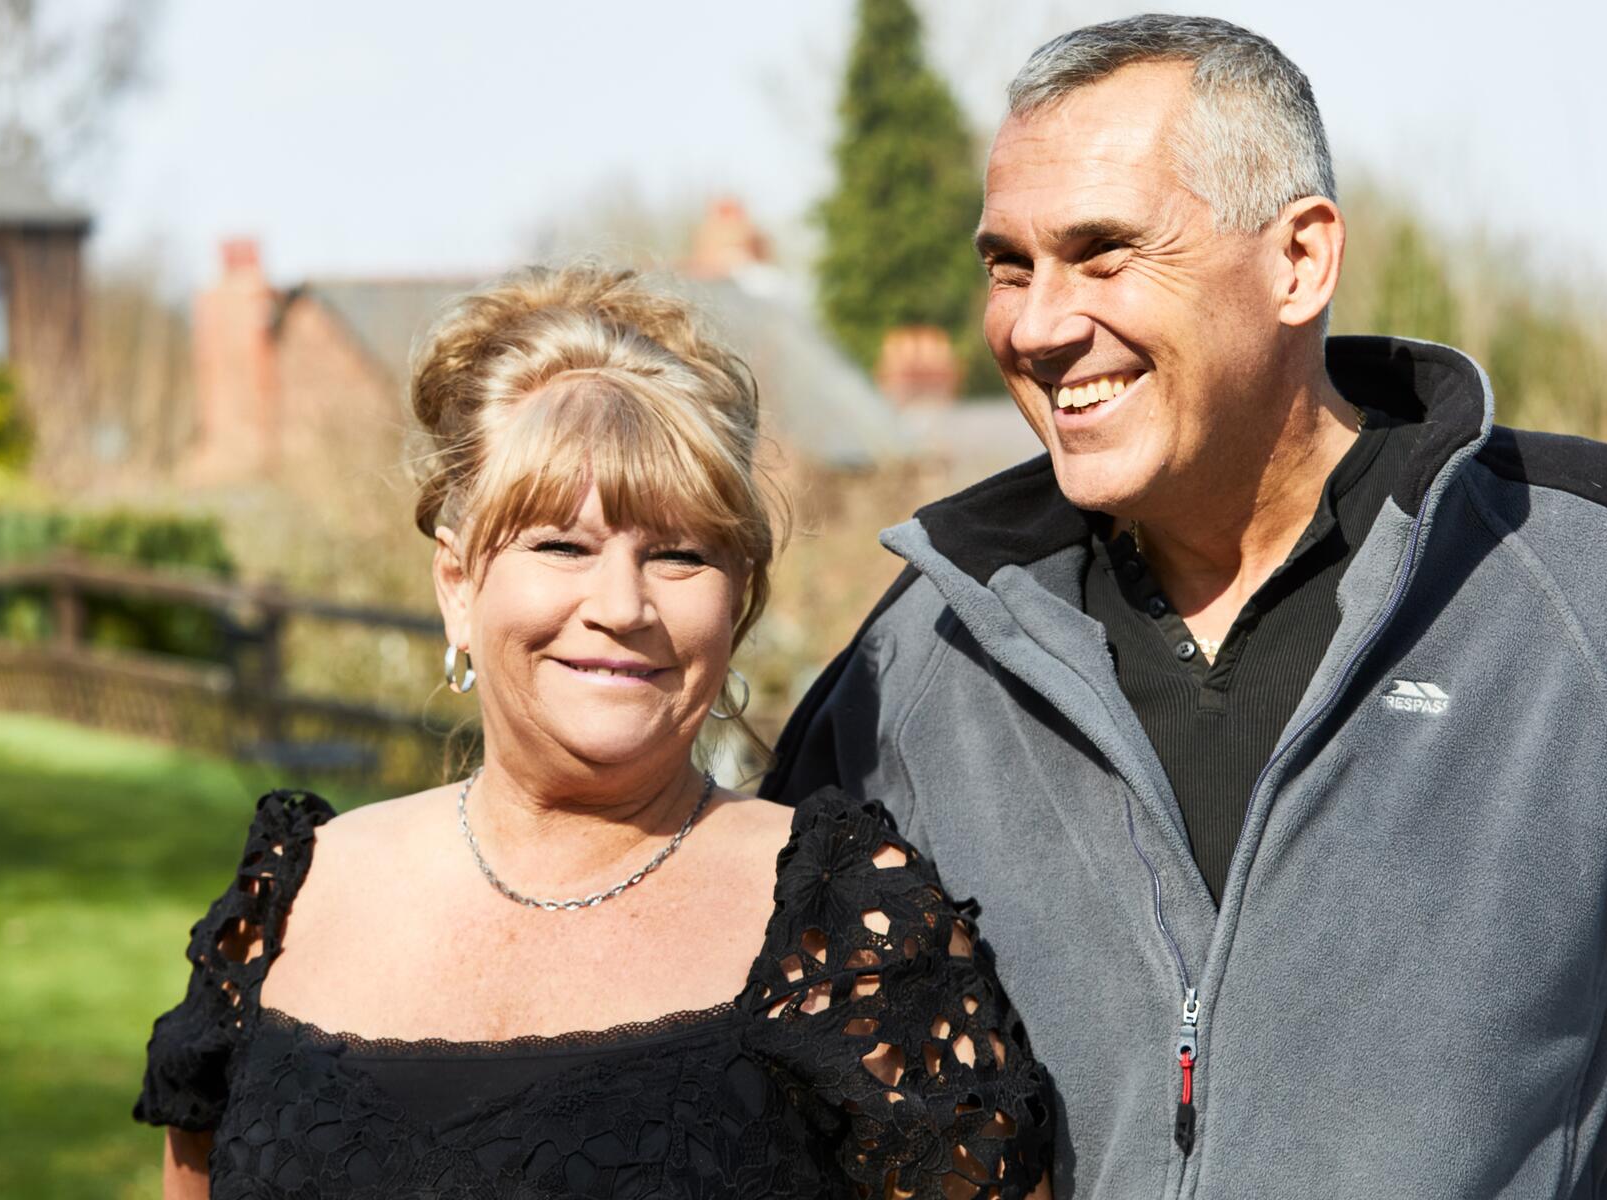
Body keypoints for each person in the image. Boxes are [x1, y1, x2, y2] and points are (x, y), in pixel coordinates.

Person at [765, 15, 1607, 1198]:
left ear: (1300, 261)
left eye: (1105, 252)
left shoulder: (1587, 568)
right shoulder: (931, 646)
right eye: (1008, 265)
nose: (1035, 324)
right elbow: (739, 1037)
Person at [134, 266, 1054, 1198]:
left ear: (737, 601)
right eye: (561, 546)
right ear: (457, 584)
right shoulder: (295, 897)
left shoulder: (850, 931)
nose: (622, 606)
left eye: (679, 554)